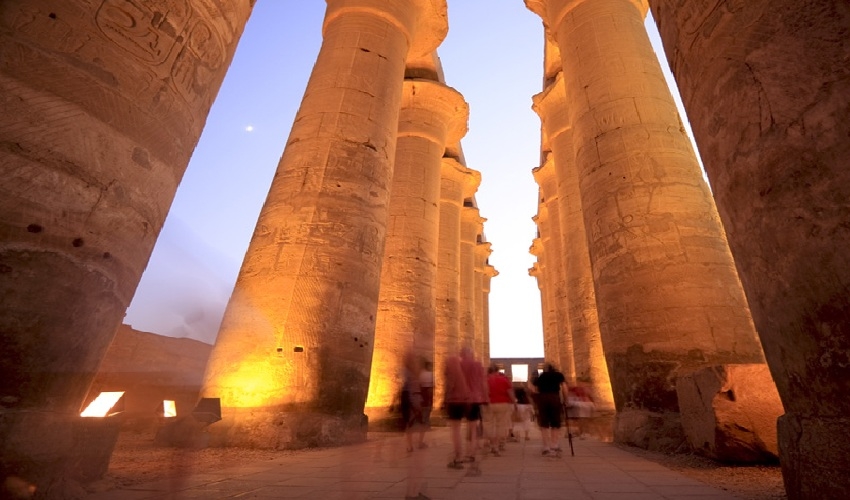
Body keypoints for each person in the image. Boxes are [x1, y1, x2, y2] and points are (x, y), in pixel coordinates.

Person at [458, 346, 487, 472]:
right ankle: (472, 453)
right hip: (476, 398)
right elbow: (483, 382)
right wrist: (485, 397)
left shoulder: (460, 365)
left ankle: (465, 453)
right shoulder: (478, 365)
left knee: (462, 427)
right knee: (473, 427)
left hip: (463, 399)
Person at [532, 362, 567, 456]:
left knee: (544, 423)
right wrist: (566, 399)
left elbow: (534, 388)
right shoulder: (558, 375)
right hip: (554, 398)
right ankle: (554, 445)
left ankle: (546, 446)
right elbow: (564, 387)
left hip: (542, 398)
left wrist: (536, 398)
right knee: (555, 423)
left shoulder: (541, 376)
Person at [443, 350, 469, 470]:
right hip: (462, 400)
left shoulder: (451, 367)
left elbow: (450, 384)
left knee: (455, 432)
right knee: (457, 431)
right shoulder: (461, 368)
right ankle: (459, 455)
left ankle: (458, 457)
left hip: (454, 401)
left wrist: (445, 399)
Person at [484, 365, 515, 455]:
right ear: (498, 371)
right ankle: (497, 445)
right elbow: (510, 392)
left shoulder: (486, 380)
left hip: (489, 403)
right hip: (502, 403)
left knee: (488, 424)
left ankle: (492, 442)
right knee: (500, 425)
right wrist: (514, 403)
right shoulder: (504, 380)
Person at [417, 358, 434, 449]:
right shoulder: (430, 375)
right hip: (426, 399)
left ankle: (418, 441)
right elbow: (431, 388)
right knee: (424, 420)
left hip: (420, 399)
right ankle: (421, 441)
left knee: (421, 419)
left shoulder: (421, 374)